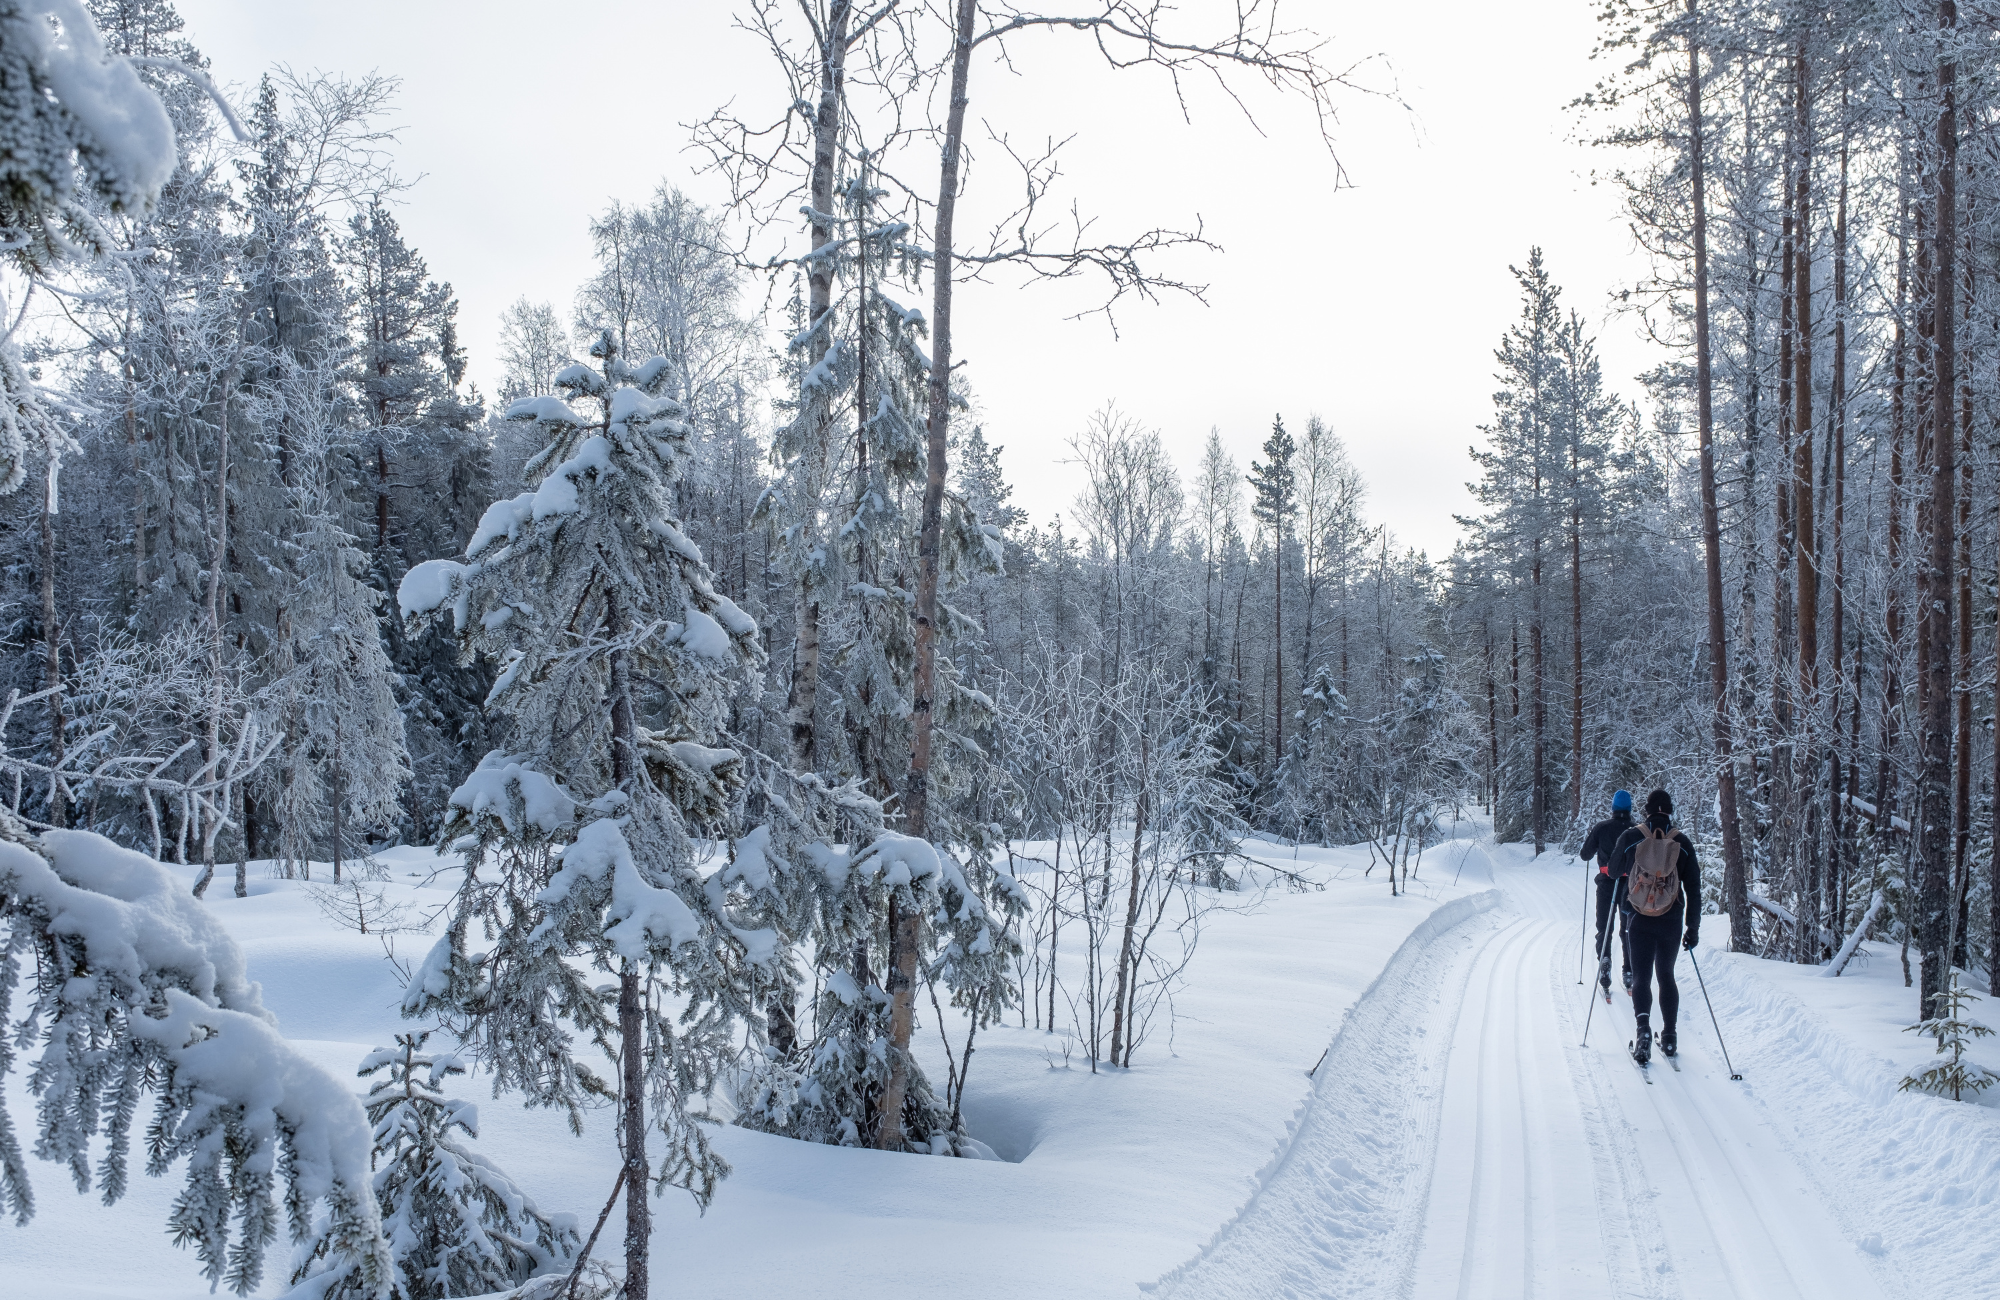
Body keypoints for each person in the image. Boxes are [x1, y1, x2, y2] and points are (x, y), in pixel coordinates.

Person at [1608, 789, 1701, 1063]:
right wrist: (1692, 927)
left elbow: (1613, 871)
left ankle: (1643, 1032)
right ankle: (1670, 1037)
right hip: (1671, 919)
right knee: (1666, 976)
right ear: (1670, 811)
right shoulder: (1681, 842)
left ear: (1646, 810)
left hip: (1637, 917)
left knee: (1641, 977)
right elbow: (1694, 888)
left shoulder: (1631, 837)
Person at [1577, 790, 1635, 993]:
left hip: (1606, 883)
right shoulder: (1636, 830)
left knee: (1604, 927)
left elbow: (1585, 855)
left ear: (1613, 808)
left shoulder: (1601, 828)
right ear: (1629, 809)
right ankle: (1629, 971)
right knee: (1627, 929)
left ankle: (1605, 962)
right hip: (1630, 886)